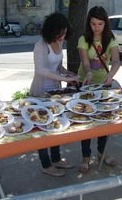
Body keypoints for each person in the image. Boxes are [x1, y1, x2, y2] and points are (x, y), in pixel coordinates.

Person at [29, 12, 79, 177]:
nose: (62, 37)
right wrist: (62, 77)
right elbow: (41, 69)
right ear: (51, 31)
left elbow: (57, 67)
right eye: (59, 34)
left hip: (54, 94)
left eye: (64, 34)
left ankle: (56, 158)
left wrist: (67, 73)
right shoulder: (40, 46)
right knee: (43, 128)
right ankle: (46, 164)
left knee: (56, 124)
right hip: (41, 93)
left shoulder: (59, 43)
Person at [77, 6, 120, 172]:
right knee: (86, 120)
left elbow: (116, 61)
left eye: (100, 24)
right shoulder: (83, 39)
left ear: (105, 24)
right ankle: (85, 155)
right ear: (89, 23)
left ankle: (102, 152)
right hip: (85, 84)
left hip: (103, 85)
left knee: (104, 119)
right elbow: (86, 63)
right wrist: (88, 74)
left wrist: (111, 75)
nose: (96, 27)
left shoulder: (111, 39)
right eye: (93, 23)